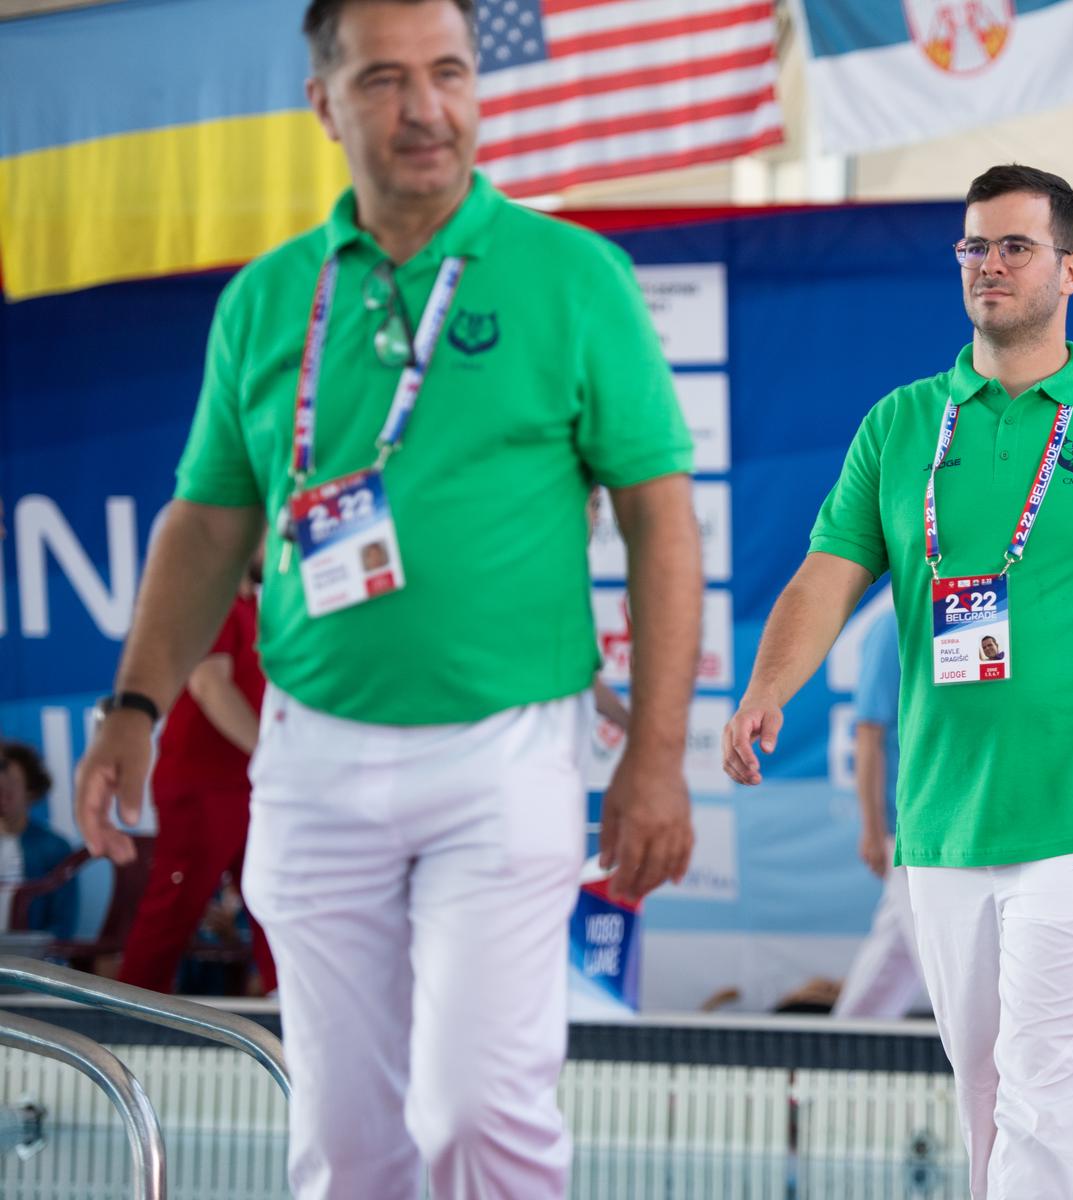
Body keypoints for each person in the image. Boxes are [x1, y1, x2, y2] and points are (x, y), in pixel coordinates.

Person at [72, 1, 703, 1196]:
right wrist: (134, 705)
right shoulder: (268, 298)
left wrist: (658, 756)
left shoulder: (574, 275)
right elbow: (208, 522)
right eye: (383, 80)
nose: (426, 109)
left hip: (506, 746)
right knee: (346, 1143)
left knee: (476, 1113)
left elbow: (661, 521)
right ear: (322, 102)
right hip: (312, 756)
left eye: (449, 73)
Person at [723, 164, 1073, 1198]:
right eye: (973, 246)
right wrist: (767, 688)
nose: (989, 264)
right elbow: (824, 575)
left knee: (1048, 1090)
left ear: (1071, 269)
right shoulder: (901, 425)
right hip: (943, 825)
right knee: (983, 1096)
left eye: (1015, 246)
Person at [117, 558, 277, 995]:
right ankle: (125, 1021)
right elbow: (210, 685)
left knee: (276, 904)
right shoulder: (214, 598)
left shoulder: (251, 605)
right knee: (171, 915)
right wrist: (275, 756)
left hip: (247, 784)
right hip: (204, 786)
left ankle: (289, 1013)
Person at [832, 604, 927, 1019]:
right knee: (942, 961)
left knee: (893, 954)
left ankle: (843, 1045)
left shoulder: (961, 612)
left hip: (931, 821)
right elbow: (869, 734)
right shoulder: (893, 624)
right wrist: (872, 830)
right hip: (910, 829)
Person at [0, 742, 77, 939]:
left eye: (11, 780)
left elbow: (61, 927)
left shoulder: (55, 848)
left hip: (29, 955)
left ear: (31, 790)